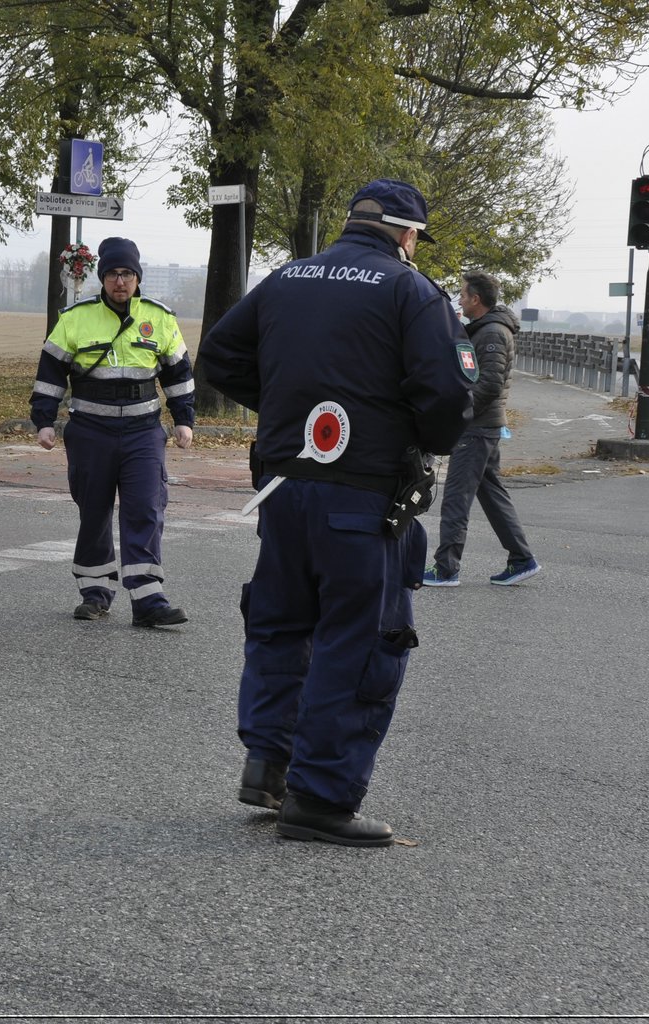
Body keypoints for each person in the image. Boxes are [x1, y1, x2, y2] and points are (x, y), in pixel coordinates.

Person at [198, 179, 473, 846]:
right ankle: (320, 796)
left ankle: (269, 763)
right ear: (408, 234)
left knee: (282, 622)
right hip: (364, 493)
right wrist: (406, 430)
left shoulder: (288, 277)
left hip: (286, 488)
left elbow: (220, 356)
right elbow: (446, 397)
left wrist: (292, 403)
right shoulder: (413, 292)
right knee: (361, 637)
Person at [28, 237, 195, 627]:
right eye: (113, 274)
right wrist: (44, 421)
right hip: (90, 431)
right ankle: (95, 591)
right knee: (94, 511)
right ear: (102, 278)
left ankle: (148, 599)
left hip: (143, 432)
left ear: (138, 277)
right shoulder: (75, 318)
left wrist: (184, 419)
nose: (120, 281)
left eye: (127, 274)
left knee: (145, 509)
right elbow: (50, 373)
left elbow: (178, 374)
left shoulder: (160, 318)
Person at [422, 271, 540, 588]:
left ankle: (446, 569)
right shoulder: (484, 329)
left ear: (476, 299)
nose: (459, 298)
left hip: (476, 427)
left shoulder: (492, 334)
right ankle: (521, 559)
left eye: (462, 294)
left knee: (456, 498)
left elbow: (488, 384)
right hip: (484, 426)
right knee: (492, 496)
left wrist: (456, 413)